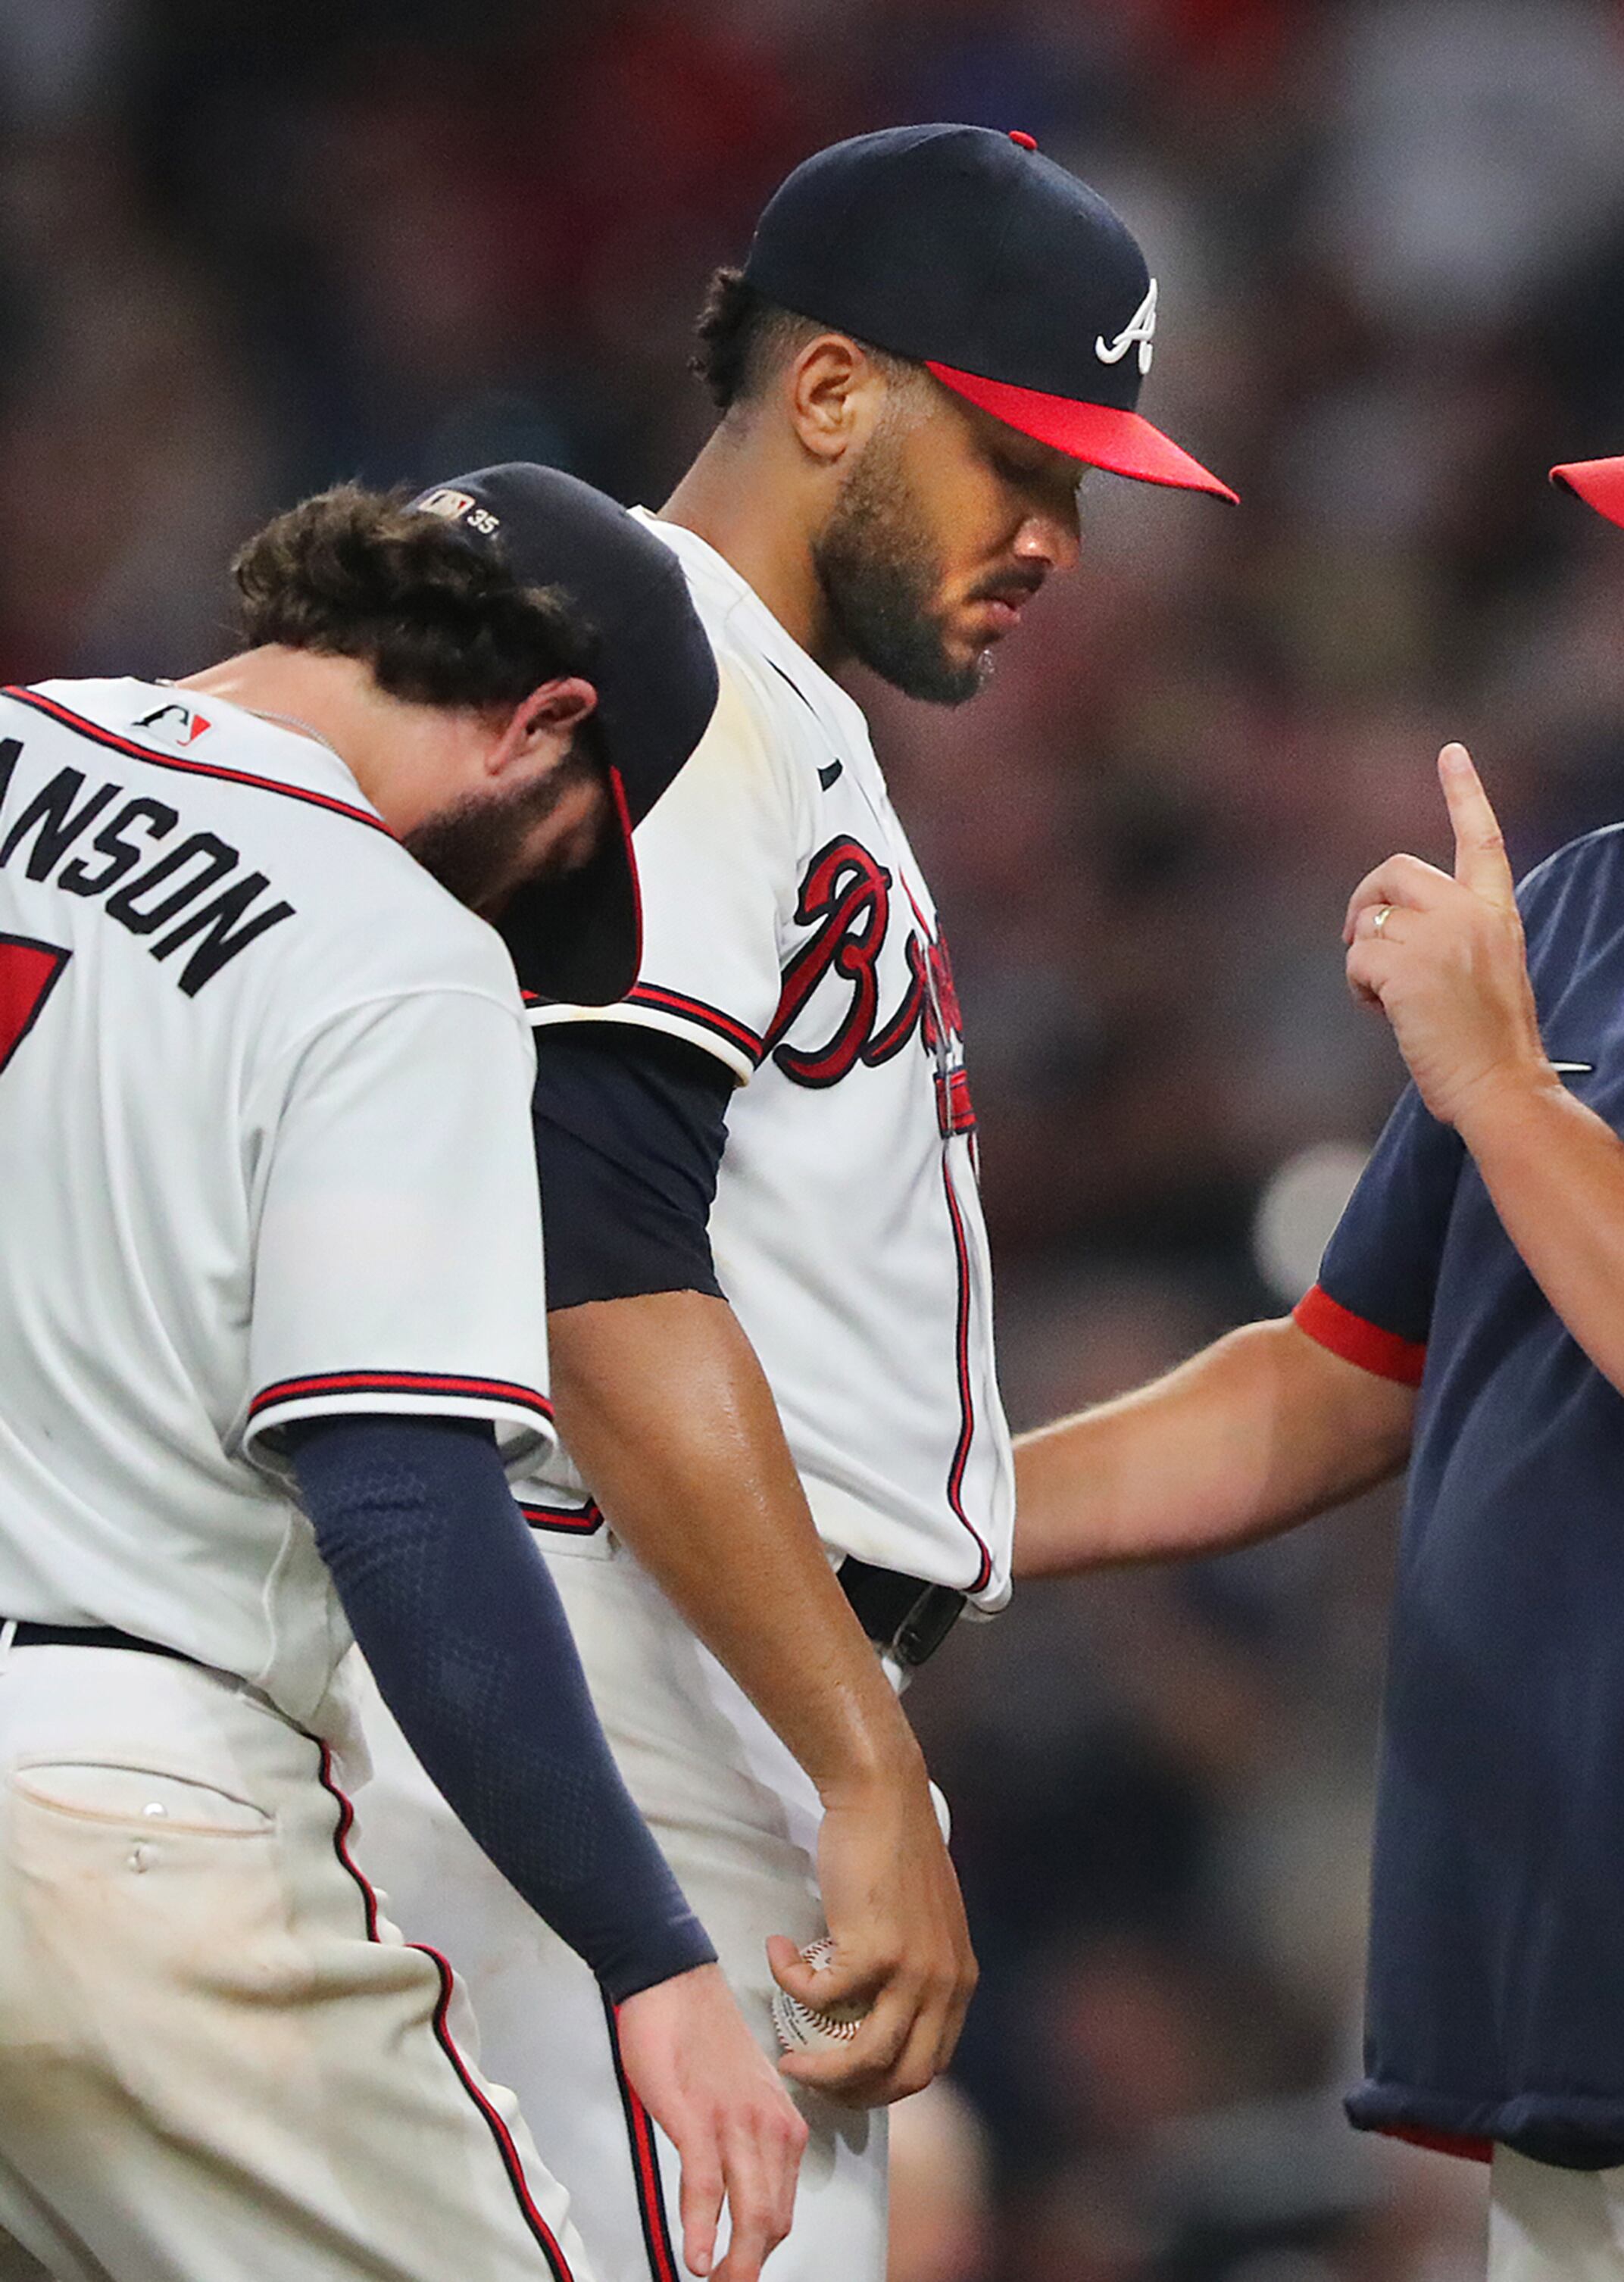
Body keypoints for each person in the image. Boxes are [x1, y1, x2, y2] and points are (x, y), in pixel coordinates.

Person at [342, 124, 1233, 2282]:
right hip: (622, 1662)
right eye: (1021, 452)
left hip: (681, 1659)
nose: (1060, 531)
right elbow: (595, 1264)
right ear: (833, 391)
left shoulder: (748, 703)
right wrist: (854, 1761)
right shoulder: (661, 661)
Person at [1015, 329, 1624, 2280]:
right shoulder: (1599, 908)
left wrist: (1494, 1083)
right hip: (1549, 2001)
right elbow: (1331, 1382)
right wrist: (928, 1502)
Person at [0, 470, 807, 2282]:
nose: (543, 922)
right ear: (542, 722)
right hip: (127, 1837)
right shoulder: (391, 947)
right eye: (579, 856)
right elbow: (403, 1502)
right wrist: (653, 1953)